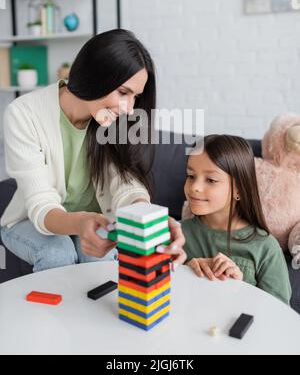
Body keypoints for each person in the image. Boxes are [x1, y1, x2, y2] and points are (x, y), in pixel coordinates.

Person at [1, 29, 185, 272]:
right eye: (123, 92)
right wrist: (79, 223)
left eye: (135, 97)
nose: (129, 108)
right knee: (58, 252)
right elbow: (41, 204)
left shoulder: (114, 121)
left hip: (93, 219)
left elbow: (126, 184)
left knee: (100, 263)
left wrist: (150, 219)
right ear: (95, 75)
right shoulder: (24, 114)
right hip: (32, 221)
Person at [182, 134, 292, 304]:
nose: (195, 187)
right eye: (190, 176)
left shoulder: (265, 248)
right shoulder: (176, 234)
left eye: (211, 180)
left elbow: (279, 318)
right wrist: (185, 274)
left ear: (239, 190)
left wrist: (240, 290)